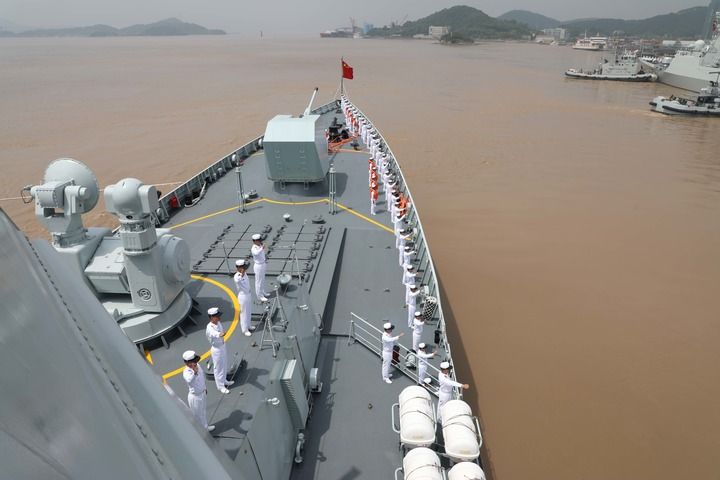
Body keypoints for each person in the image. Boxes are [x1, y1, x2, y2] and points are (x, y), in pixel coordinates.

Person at [182, 350, 215, 432]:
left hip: (202, 393)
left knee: (203, 412)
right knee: (197, 416)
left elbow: (201, 377)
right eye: (193, 362)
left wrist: (204, 388)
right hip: (195, 397)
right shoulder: (186, 372)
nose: (196, 363)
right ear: (187, 363)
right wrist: (194, 372)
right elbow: (189, 380)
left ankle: (205, 427)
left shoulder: (198, 365)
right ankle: (200, 432)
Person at [205, 307, 233, 394]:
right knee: (218, 368)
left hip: (222, 346)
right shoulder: (209, 327)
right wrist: (219, 334)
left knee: (224, 364)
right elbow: (213, 333)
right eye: (217, 316)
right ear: (211, 317)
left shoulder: (218, 323)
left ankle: (224, 380)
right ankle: (220, 386)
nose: (219, 318)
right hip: (216, 349)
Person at [233, 260, 254, 336]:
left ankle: (249, 325)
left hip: (248, 294)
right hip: (243, 296)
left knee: (248, 311)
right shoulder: (237, 276)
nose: (244, 269)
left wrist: (243, 273)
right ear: (238, 268)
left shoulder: (245, 273)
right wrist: (242, 274)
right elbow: (238, 280)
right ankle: (245, 330)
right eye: (243, 267)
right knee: (244, 313)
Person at [250, 234, 269, 302]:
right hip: (258, 266)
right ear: (254, 241)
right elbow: (256, 253)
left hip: (263, 264)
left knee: (262, 279)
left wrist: (261, 247)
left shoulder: (260, 245)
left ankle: (262, 292)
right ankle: (259, 296)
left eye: (260, 240)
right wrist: (262, 248)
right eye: (258, 240)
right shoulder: (254, 248)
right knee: (258, 282)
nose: (260, 241)